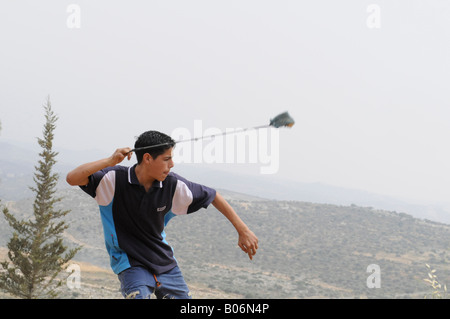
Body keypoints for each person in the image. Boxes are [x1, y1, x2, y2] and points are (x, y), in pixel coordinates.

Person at [66, 130, 259, 299]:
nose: (172, 164)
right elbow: (72, 178)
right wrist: (110, 160)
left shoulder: (173, 185)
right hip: (130, 263)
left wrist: (243, 230)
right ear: (148, 158)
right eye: (167, 159)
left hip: (164, 262)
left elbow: (213, 195)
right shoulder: (113, 180)